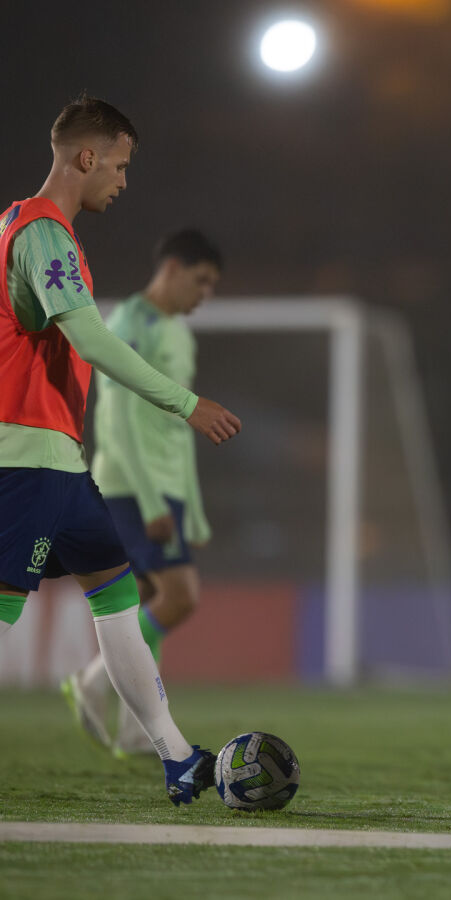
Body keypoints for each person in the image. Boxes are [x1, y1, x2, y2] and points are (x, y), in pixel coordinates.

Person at [0, 96, 240, 805]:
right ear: (86, 156)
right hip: (25, 458)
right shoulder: (41, 231)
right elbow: (92, 340)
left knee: (119, 595)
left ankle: (176, 757)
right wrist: (188, 403)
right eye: (120, 164)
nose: (124, 181)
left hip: (61, 463)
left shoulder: (30, 229)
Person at [62, 229, 222, 757]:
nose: (205, 295)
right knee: (179, 597)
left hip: (166, 488)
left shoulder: (181, 334)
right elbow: (121, 419)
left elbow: (179, 434)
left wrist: (191, 512)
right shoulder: (130, 321)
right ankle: (109, 695)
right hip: (131, 486)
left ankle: (116, 704)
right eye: (201, 281)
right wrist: (153, 504)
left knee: (154, 599)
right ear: (173, 268)